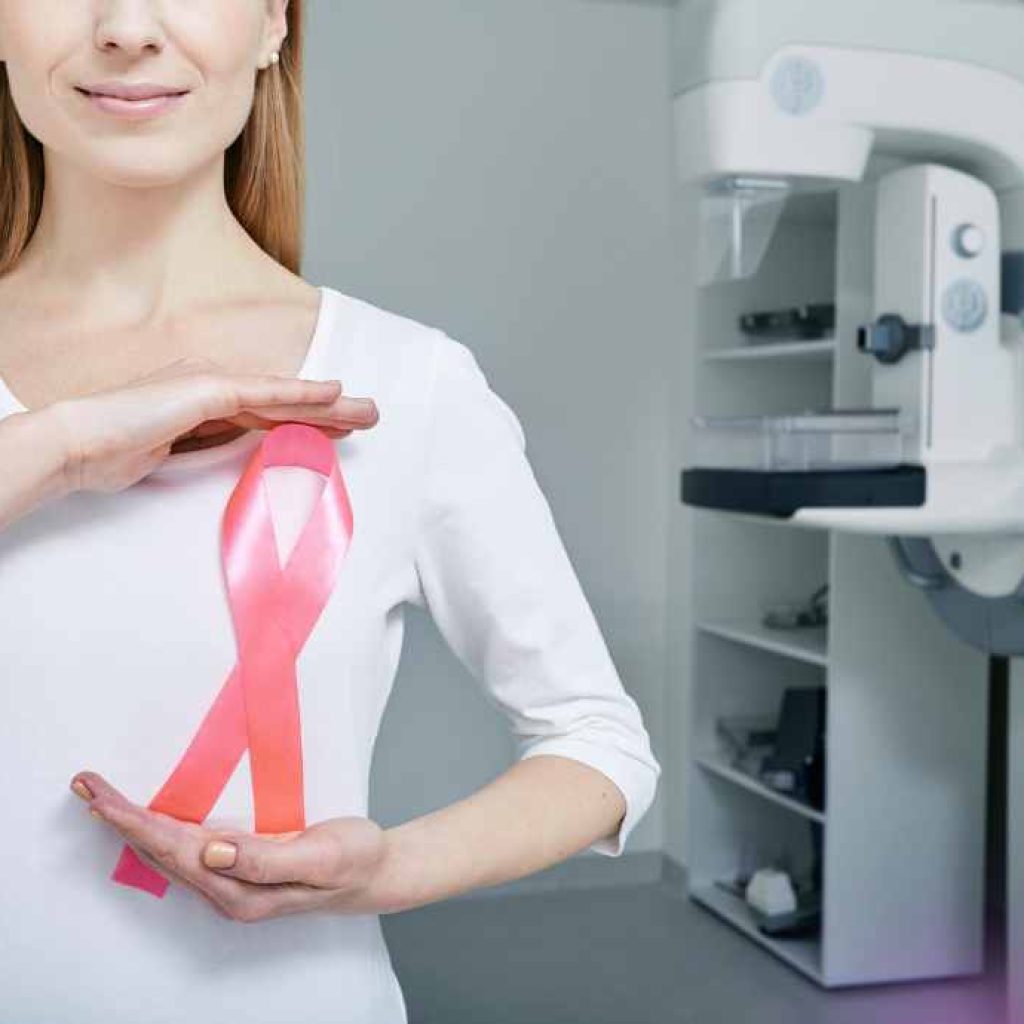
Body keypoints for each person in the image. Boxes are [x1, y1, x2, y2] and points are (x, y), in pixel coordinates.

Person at [0, 2, 662, 1022]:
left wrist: (387, 868)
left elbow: (598, 745)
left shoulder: (411, 382)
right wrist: (61, 448)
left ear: (273, 22)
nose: (127, 25)